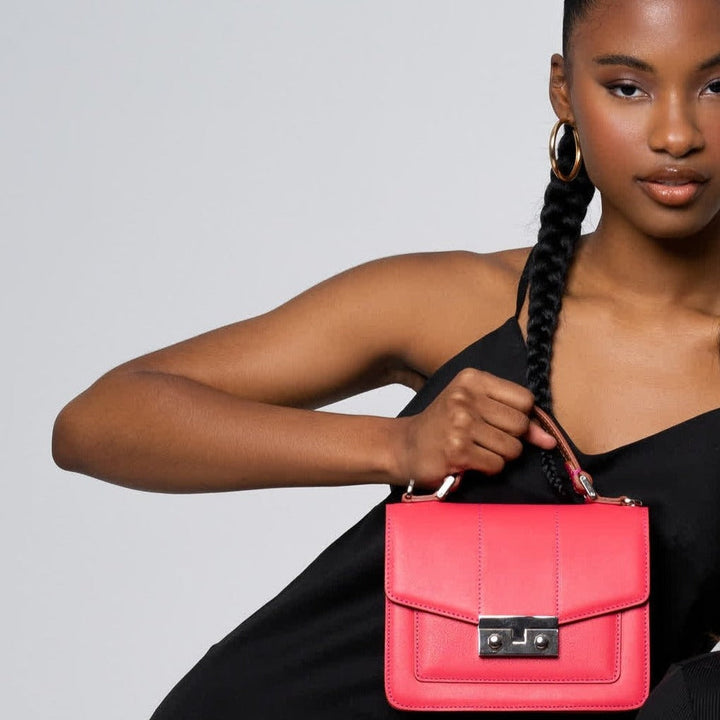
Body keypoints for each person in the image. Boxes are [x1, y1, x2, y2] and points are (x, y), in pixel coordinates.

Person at [52, 0, 720, 717]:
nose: (675, 133)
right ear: (564, 91)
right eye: (627, 88)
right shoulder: (460, 301)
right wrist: (398, 444)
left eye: (717, 86)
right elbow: (98, 421)